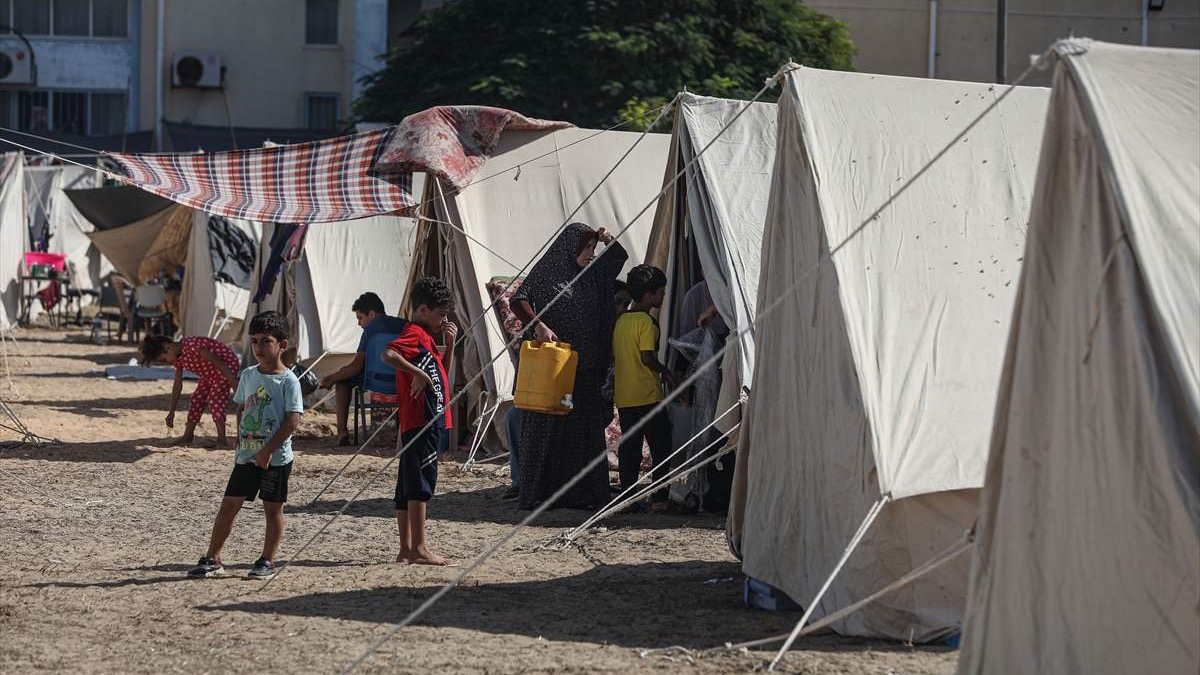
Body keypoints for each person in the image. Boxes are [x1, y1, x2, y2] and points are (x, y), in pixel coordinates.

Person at [511, 223, 627, 511]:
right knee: (547, 430)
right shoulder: (549, 270)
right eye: (586, 248)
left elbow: (619, 257)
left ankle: (582, 494)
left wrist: (606, 239)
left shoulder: (594, 274)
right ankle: (541, 492)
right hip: (554, 370)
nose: (590, 253)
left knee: (583, 433)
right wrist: (538, 325)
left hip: (585, 368)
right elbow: (518, 298)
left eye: (592, 248)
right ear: (570, 247)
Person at [188, 311, 303, 579]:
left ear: (282, 345)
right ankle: (213, 558)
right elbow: (242, 405)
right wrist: (240, 434)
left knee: (272, 509)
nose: (259, 347)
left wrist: (268, 450)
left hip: (275, 459)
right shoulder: (250, 375)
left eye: (266, 341)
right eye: (254, 341)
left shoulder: (288, 381)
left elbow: (292, 421)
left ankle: (266, 561)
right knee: (229, 505)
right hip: (246, 456)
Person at [380, 277, 456, 565]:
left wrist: (450, 343)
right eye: (439, 314)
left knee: (407, 483)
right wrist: (419, 374)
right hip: (422, 418)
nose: (442, 320)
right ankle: (420, 547)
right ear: (423, 310)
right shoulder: (414, 333)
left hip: (427, 416)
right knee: (420, 482)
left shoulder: (426, 339)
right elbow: (387, 354)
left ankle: (406, 548)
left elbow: (442, 375)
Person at [613, 264, 676, 510]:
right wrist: (666, 372)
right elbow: (647, 358)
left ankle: (626, 497)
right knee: (661, 445)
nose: (662, 297)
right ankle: (659, 497)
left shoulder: (620, 322)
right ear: (649, 295)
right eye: (660, 292)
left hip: (625, 396)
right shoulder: (646, 323)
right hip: (647, 396)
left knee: (631, 448)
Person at [319, 292, 409, 445]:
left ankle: (342, 432)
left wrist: (333, 377)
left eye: (360, 318)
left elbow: (356, 366)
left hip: (374, 380)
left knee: (343, 382)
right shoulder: (405, 325)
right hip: (403, 379)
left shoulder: (371, 330)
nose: (359, 324)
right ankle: (402, 431)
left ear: (372, 313)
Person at [142, 334, 241, 448]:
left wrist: (234, 384)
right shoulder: (178, 359)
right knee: (196, 399)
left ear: (168, 347)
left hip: (226, 366)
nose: (166, 362)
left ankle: (222, 440)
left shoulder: (192, 346)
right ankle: (188, 436)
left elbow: (218, 362)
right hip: (209, 372)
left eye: (164, 359)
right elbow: (178, 385)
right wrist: (171, 411)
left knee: (214, 400)